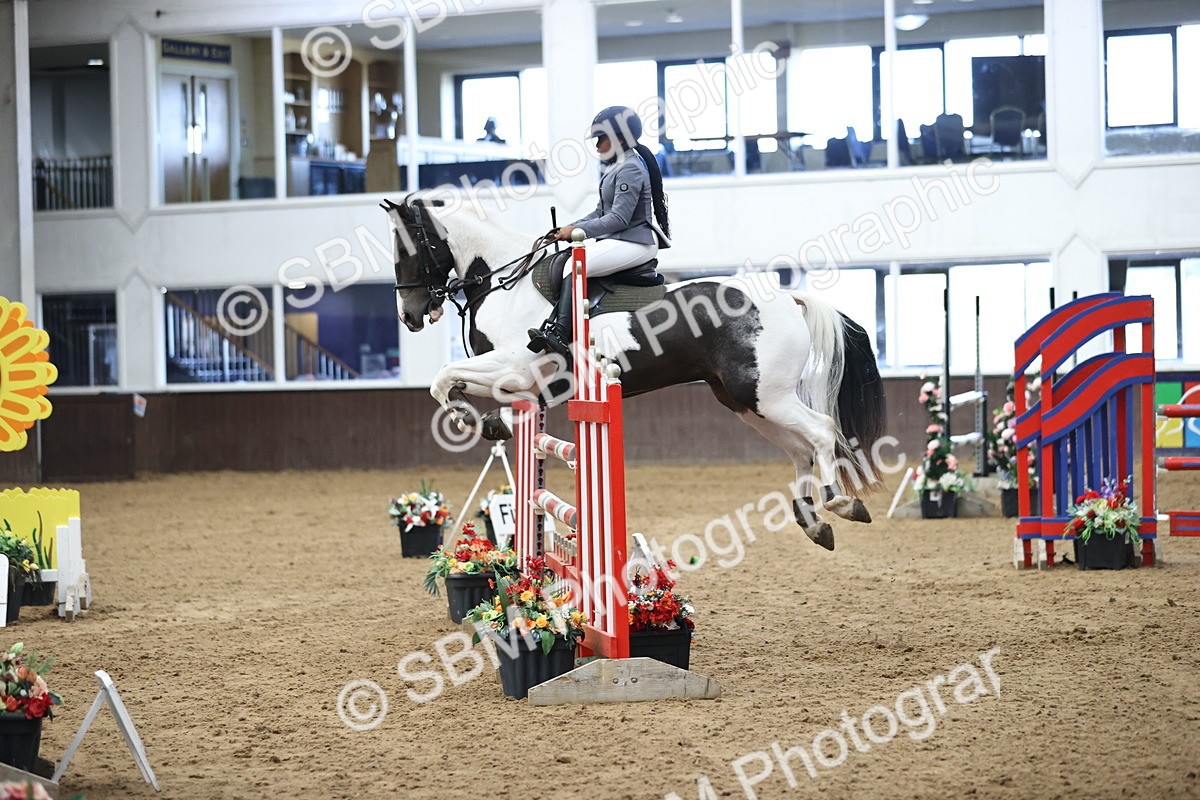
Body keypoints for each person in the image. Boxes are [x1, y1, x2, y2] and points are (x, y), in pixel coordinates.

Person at [528, 105, 671, 363]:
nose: (596, 145)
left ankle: (560, 334)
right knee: (571, 259)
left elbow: (618, 219)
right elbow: (599, 211)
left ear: (617, 138)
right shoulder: (616, 167)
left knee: (575, 265)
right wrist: (567, 229)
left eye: (600, 138)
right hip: (621, 239)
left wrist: (577, 232)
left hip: (635, 242)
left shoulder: (631, 168)